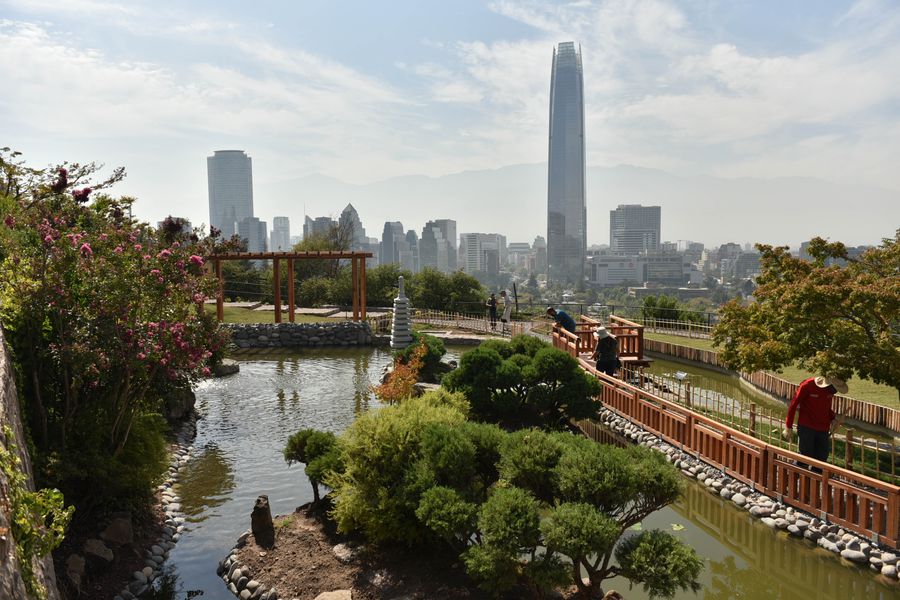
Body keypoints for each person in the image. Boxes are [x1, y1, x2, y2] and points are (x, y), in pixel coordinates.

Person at [783, 376, 848, 466]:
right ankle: (795, 477)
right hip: (807, 427)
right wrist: (788, 426)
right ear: (828, 384)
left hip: (823, 429)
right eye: (834, 389)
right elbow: (793, 405)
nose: (835, 392)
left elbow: (826, 407)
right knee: (805, 458)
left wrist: (833, 419)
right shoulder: (807, 385)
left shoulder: (831, 391)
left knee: (821, 460)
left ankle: (815, 479)